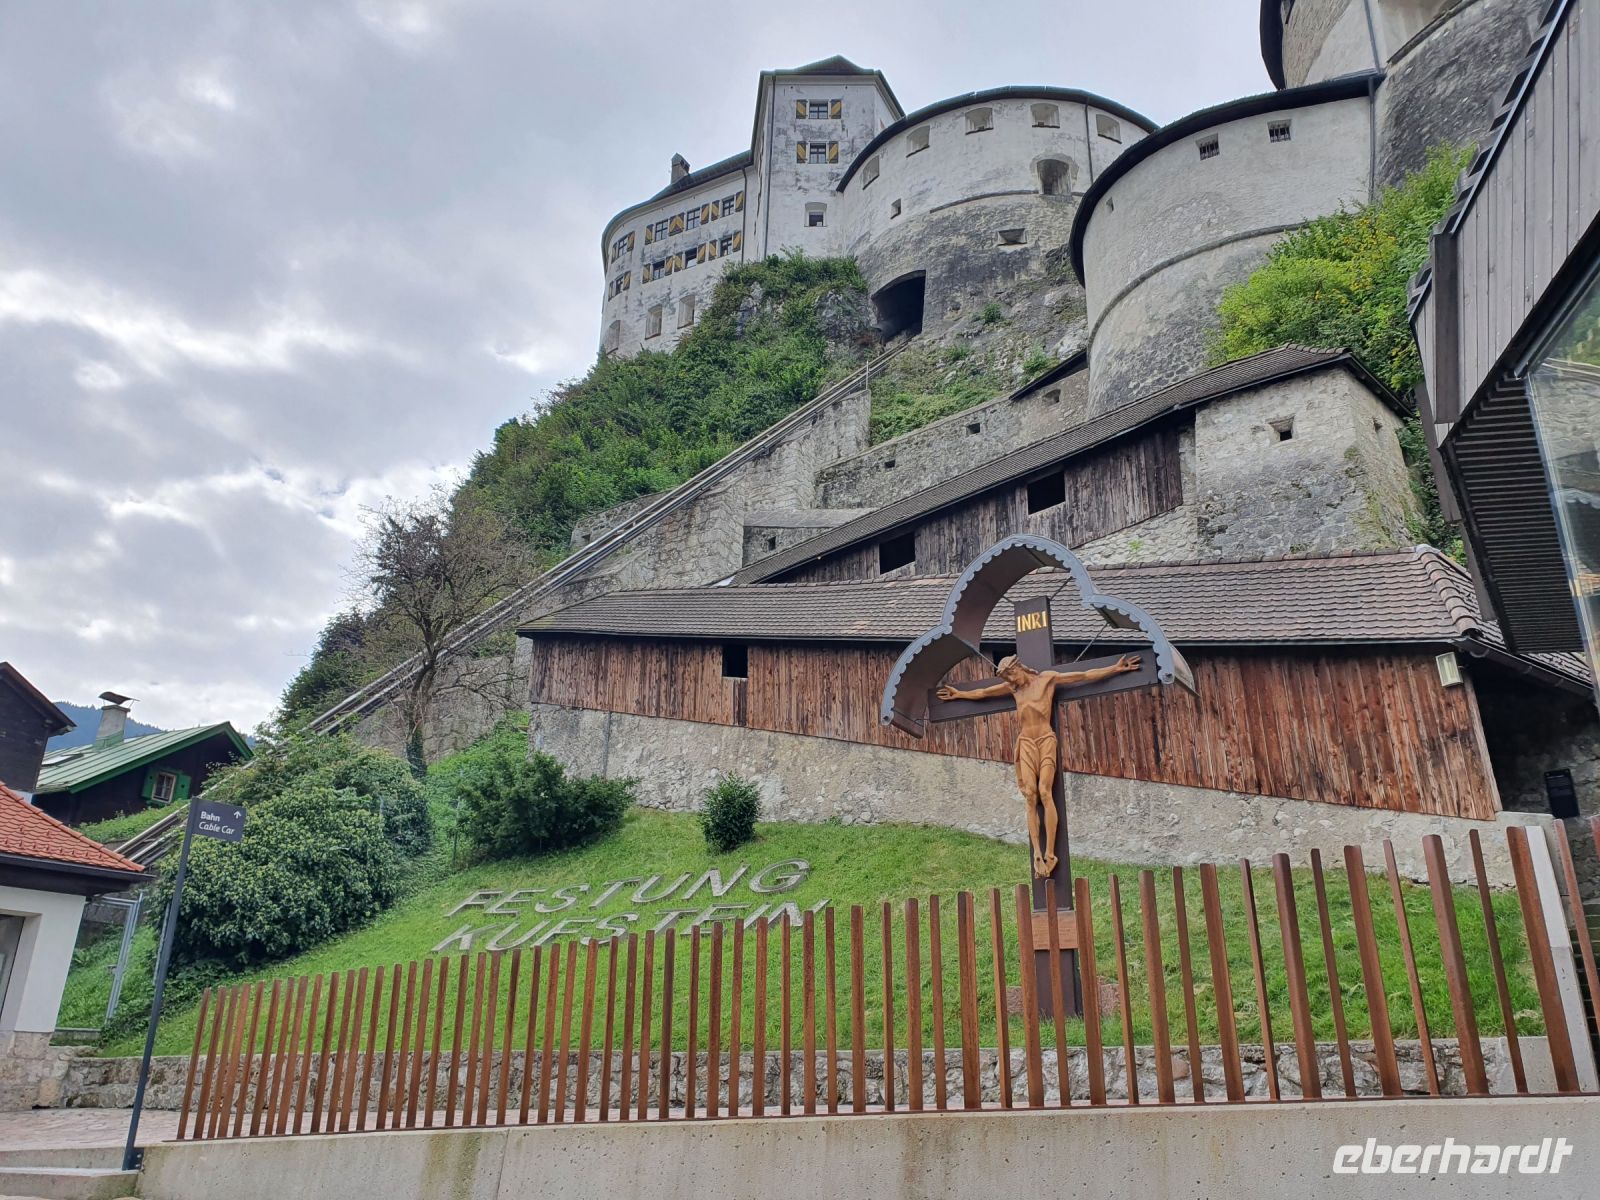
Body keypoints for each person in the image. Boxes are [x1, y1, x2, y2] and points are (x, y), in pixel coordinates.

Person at [937, 653, 1141, 876]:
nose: (1011, 680)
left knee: (1045, 791)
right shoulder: (1014, 689)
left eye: (1012, 674)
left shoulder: (1047, 679)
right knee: (1030, 795)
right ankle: (1036, 852)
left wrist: (1115, 668)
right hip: (1025, 742)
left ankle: (1050, 853)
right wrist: (959, 694)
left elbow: (1083, 675)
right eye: (1007, 677)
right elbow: (984, 693)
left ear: (1020, 667)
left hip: (1045, 740)